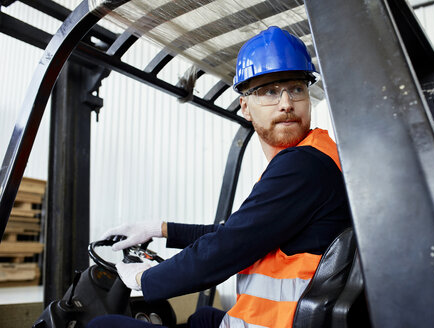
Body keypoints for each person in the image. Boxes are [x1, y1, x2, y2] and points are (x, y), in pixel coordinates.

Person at [88, 26, 351, 328]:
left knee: (102, 325)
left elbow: (228, 247)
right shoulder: (318, 154)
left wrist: (143, 278)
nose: (286, 103)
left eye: (296, 89)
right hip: (277, 320)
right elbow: (241, 233)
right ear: (246, 107)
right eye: (269, 91)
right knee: (202, 317)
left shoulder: (302, 165)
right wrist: (160, 229)